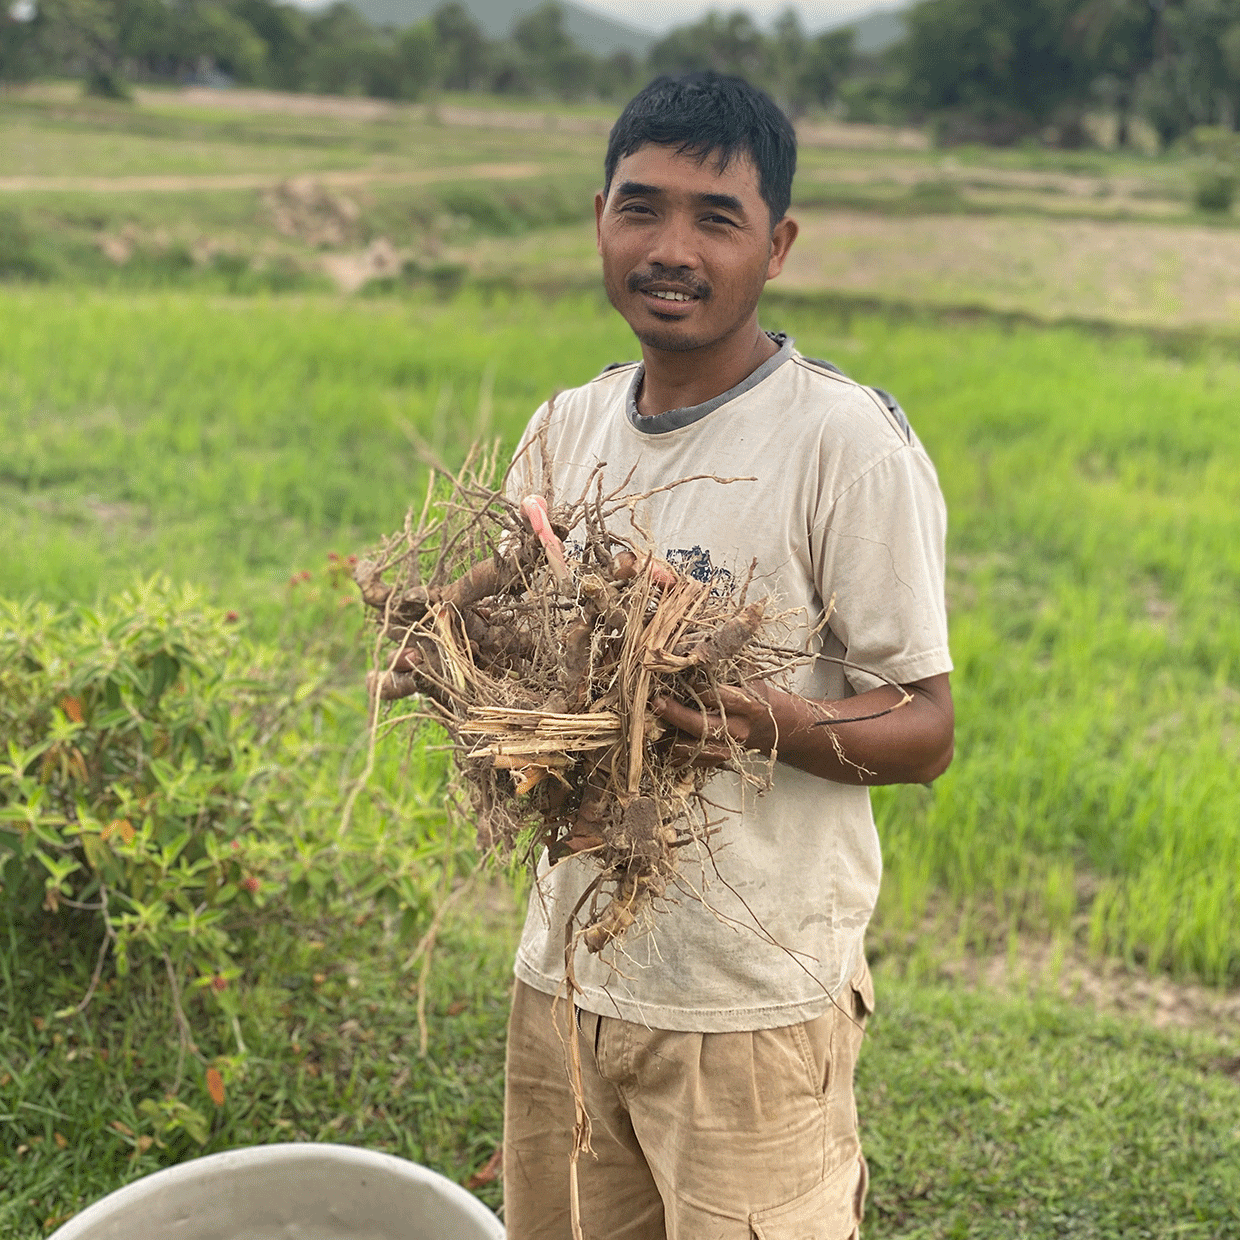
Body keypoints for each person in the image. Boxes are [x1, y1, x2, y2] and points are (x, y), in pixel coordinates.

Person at [501, 72, 955, 1240]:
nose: (671, 249)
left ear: (778, 244)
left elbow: (921, 730)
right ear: (597, 214)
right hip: (564, 980)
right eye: (639, 208)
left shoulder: (839, 442)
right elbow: (512, 632)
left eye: (716, 218)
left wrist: (750, 716)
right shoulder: (565, 426)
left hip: (747, 1004)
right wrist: (446, 645)